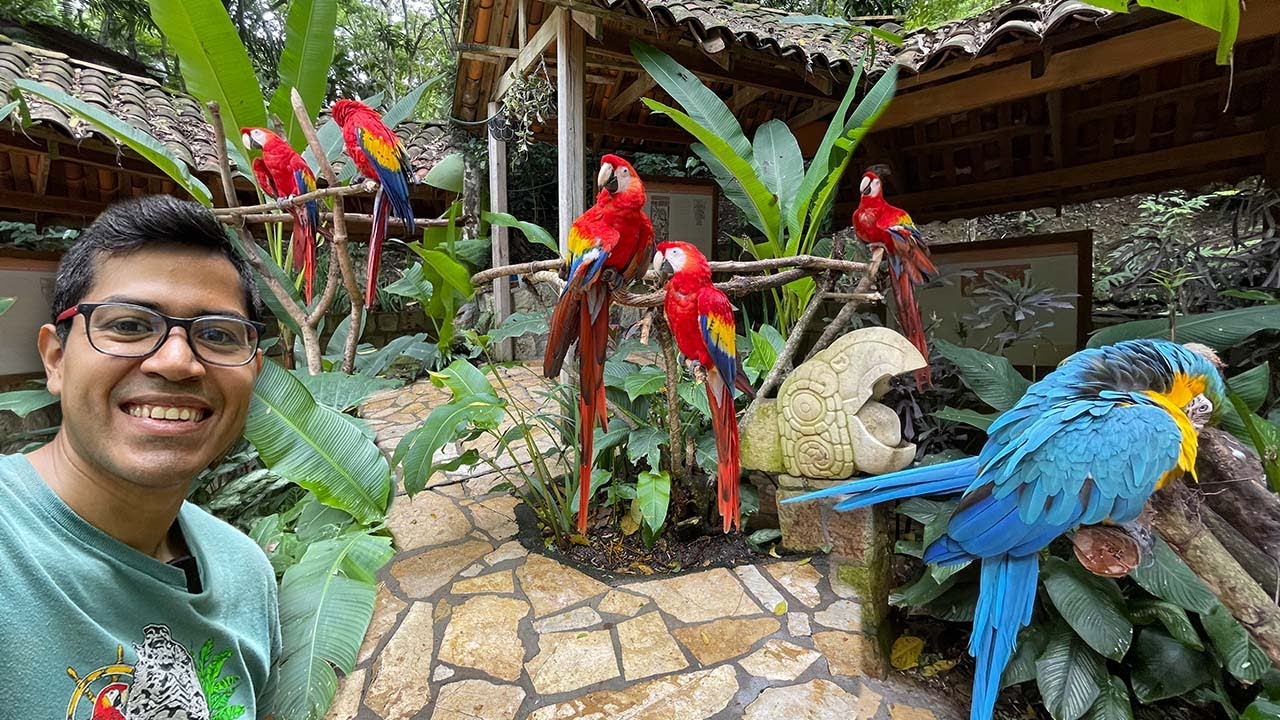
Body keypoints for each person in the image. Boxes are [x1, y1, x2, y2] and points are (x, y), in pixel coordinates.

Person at [0, 195, 280, 719]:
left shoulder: (246, 574)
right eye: (129, 325)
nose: (177, 362)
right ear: (56, 360)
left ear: (254, 374)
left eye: (217, 335)